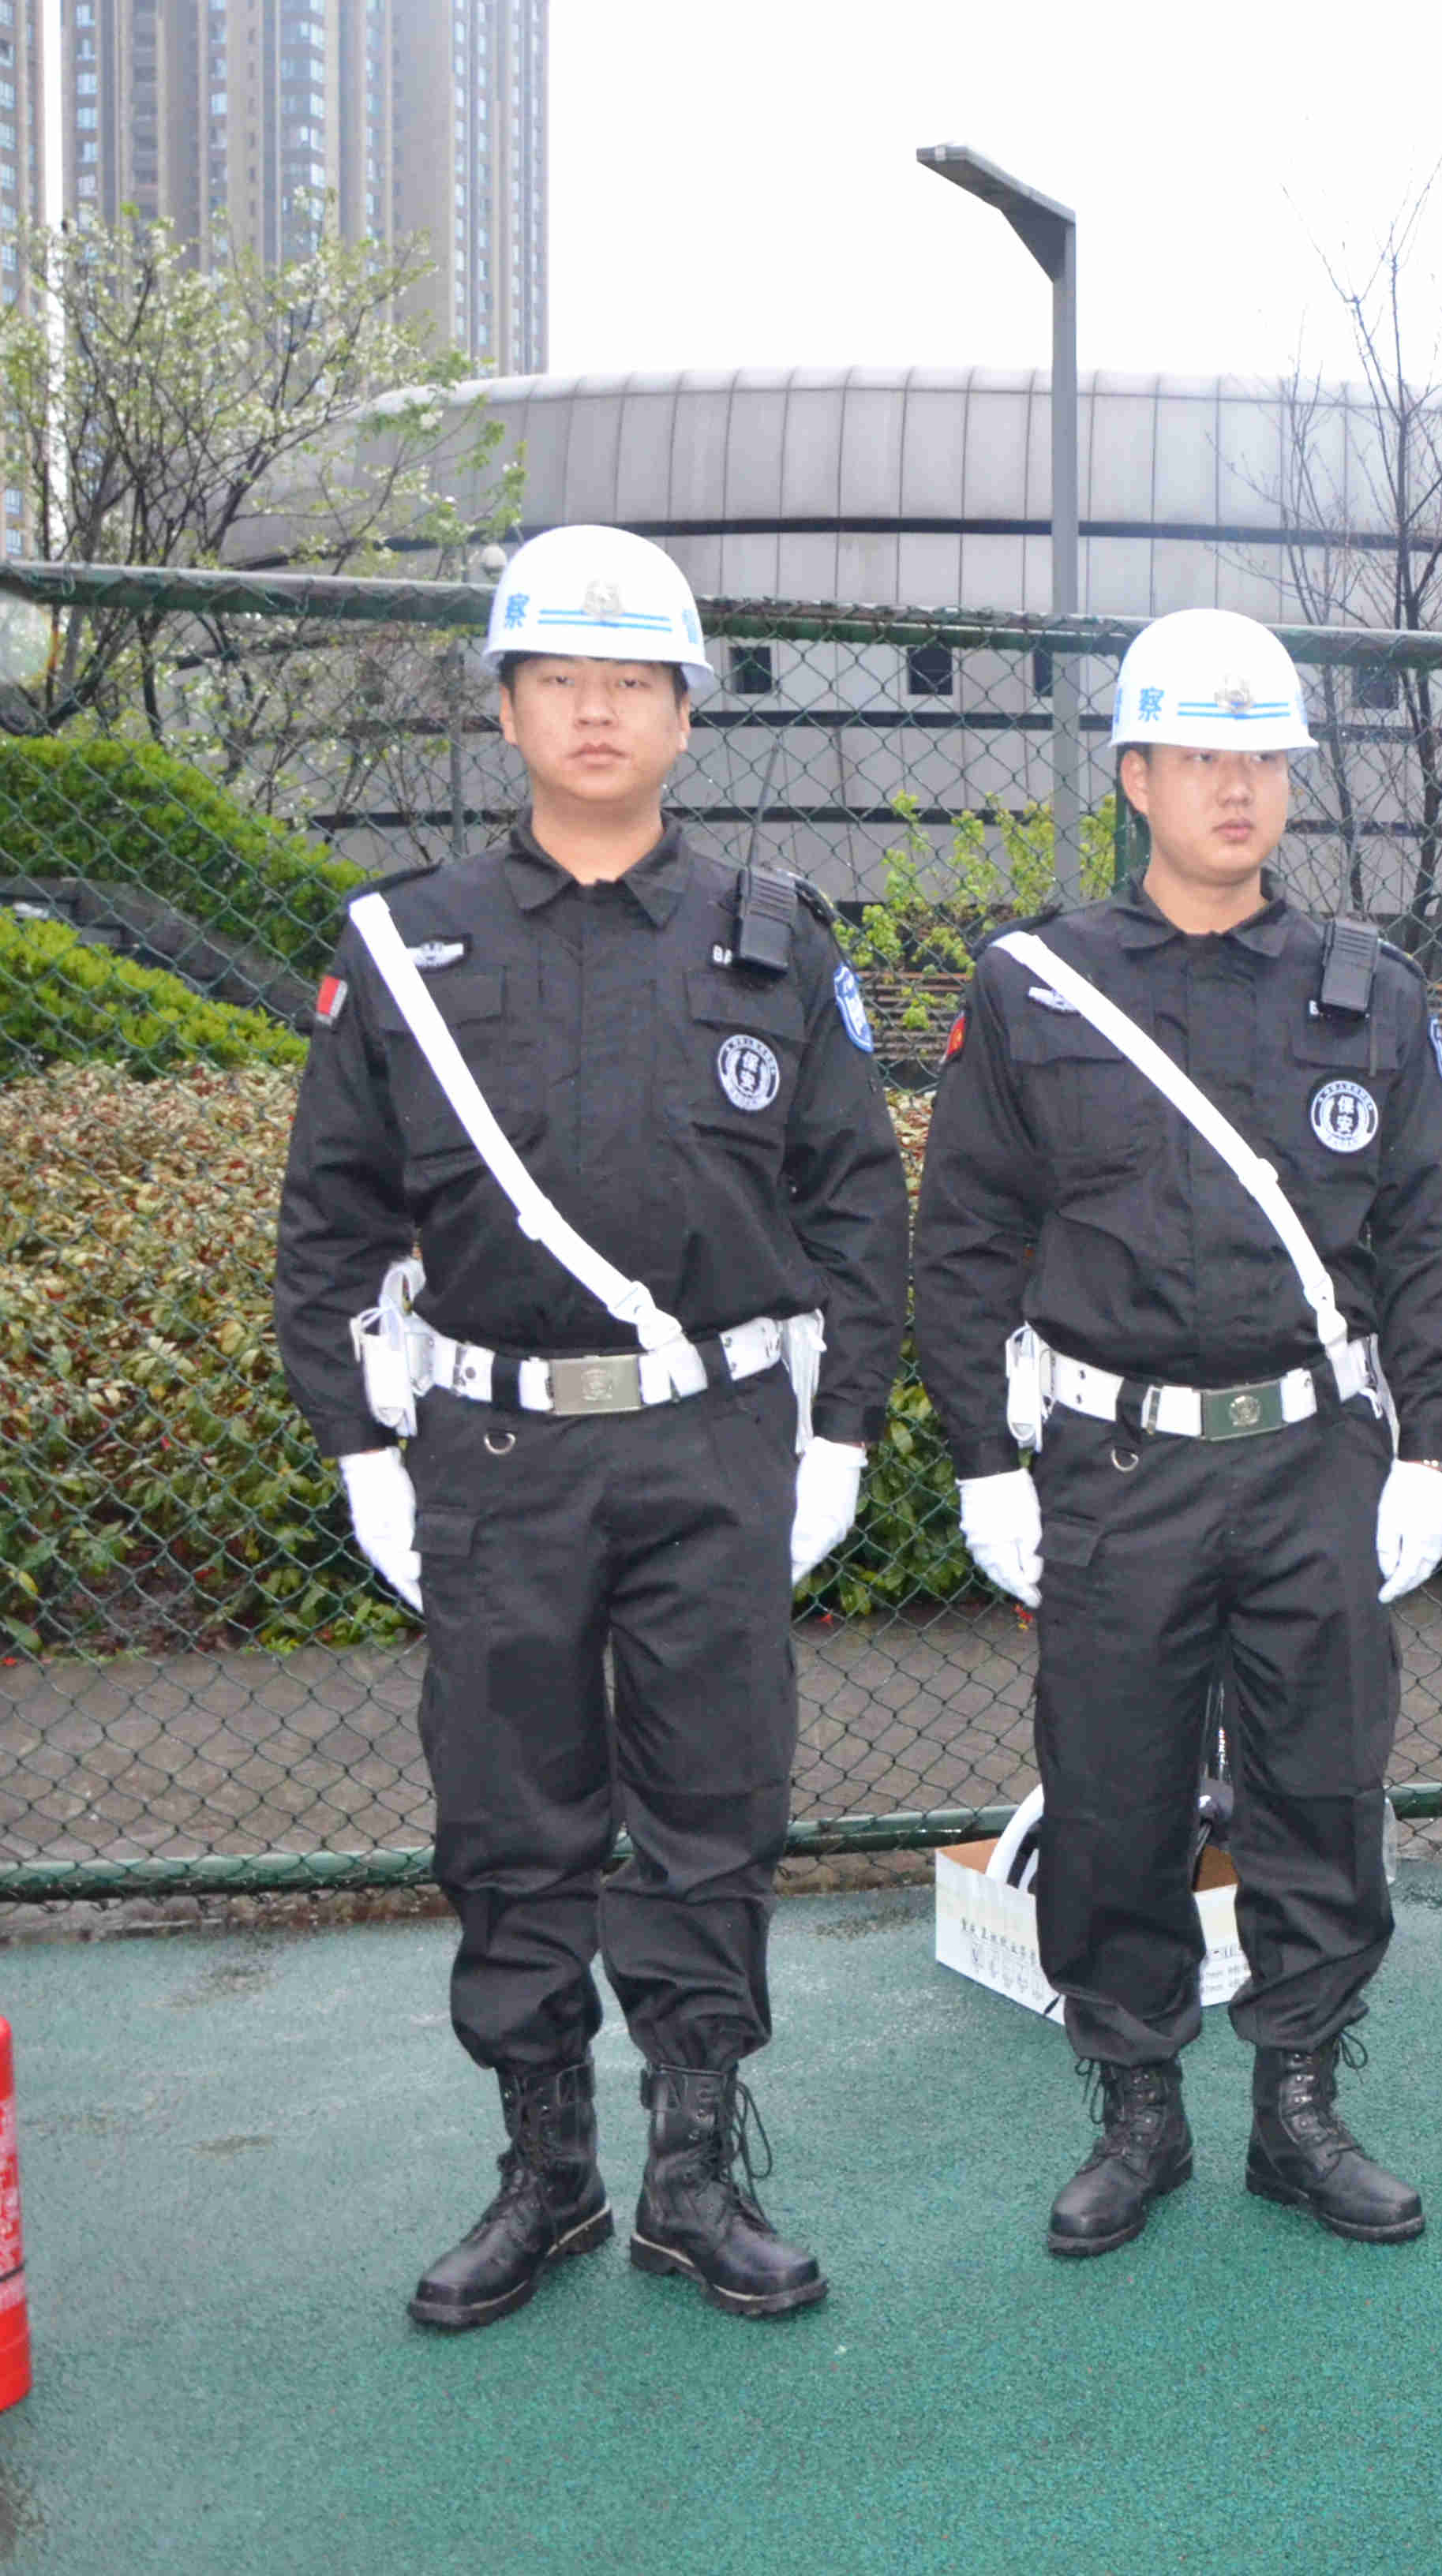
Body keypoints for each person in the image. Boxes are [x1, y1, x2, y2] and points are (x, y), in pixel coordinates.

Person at [275, 525, 906, 2328]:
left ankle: (692, 2173)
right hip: (494, 1456)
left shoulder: (774, 938)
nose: (599, 710)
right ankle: (543, 2172)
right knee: (509, 1816)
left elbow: (858, 1203)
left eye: (634, 681)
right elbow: (329, 1223)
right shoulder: (404, 945)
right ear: (507, 708)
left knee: (716, 1808)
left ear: (686, 715)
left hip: (716, 1443)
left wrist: (843, 1429)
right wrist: (359, 1448)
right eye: (561, 677)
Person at [913, 609, 1442, 2256]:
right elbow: (963, 1243)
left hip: (1314, 1459)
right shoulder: (1037, 988)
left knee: (1323, 1789)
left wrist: (1431, 1451)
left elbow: (1429, 1239)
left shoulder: (1367, 991)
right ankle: (1138, 2111)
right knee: (1113, 1795)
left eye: (1264, 759)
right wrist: (981, 1458)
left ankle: (1298, 2107)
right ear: (1136, 776)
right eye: (1202, 757)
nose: (1238, 788)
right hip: (1116, 1466)